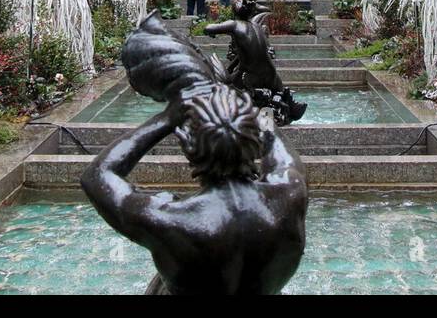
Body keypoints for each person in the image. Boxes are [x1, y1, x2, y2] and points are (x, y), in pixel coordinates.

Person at [81, 84, 308, 294]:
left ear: (186, 144)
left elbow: (97, 175)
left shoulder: (168, 220)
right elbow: (272, 137)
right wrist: (258, 112)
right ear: (254, 141)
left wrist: (167, 118)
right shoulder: (290, 194)